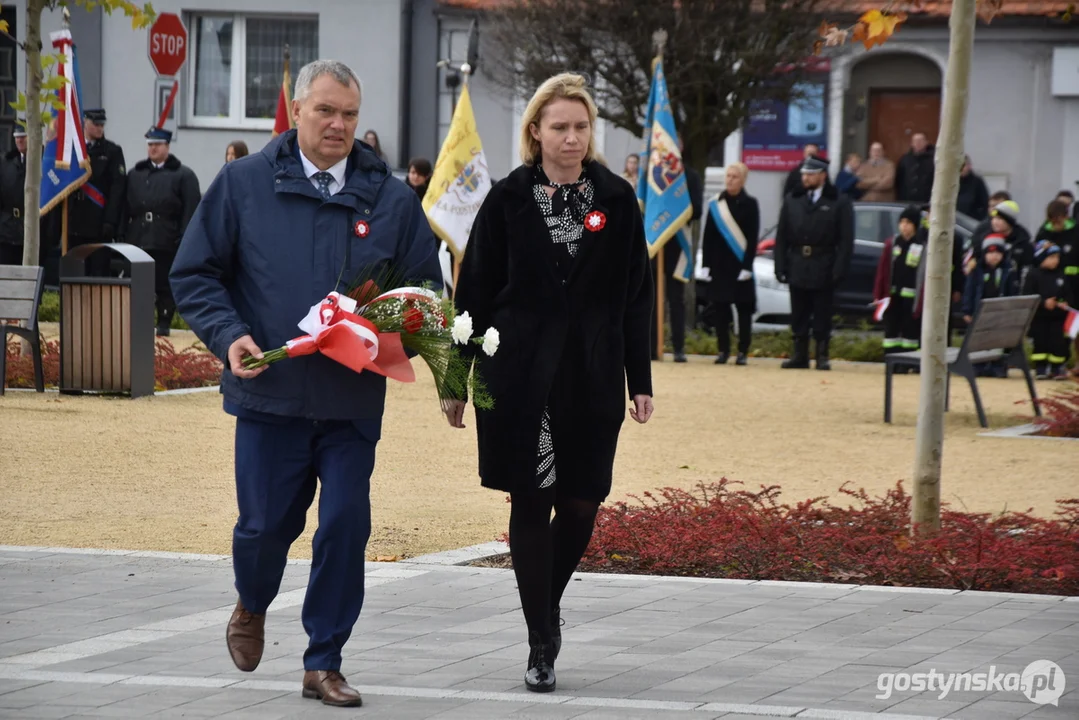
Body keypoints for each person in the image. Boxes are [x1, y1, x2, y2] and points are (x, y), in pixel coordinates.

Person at [170, 59, 442, 708]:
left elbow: (426, 294)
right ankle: (251, 601)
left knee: (345, 525)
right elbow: (194, 274)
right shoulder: (242, 185)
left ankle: (323, 661)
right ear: (297, 111)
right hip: (269, 398)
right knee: (264, 528)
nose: (338, 125)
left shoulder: (393, 200)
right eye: (325, 111)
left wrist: (414, 340)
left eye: (349, 115)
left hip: (350, 403)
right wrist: (227, 333)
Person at [444, 72, 654, 694]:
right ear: (534, 132)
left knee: (584, 499)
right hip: (520, 374)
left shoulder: (616, 200)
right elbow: (473, 292)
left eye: (580, 127)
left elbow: (637, 298)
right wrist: (457, 377)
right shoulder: (507, 200)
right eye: (558, 126)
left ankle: (545, 600)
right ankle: (541, 640)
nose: (570, 137)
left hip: (591, 373)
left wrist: (638, 378)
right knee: (532, 500)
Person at [118, 127, 201, 337]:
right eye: (150, 144)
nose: (152, 148)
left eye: (157, 144)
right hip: (138, 238)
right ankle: (140, 321)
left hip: (167, 238)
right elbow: (123, 207)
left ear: (167, 146)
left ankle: (164, 321)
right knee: (138, 282)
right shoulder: (135, 174)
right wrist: (120, 232)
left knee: (164, 283)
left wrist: (184, 238)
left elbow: (190, 210)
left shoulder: (183, 175)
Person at [774, 155, 854, 370]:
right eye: (804, 174)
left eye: (810, 174)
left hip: (824, 263)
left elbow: (846, 241)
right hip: (798, 262)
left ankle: (821, 355)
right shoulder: (793, 199)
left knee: (822, 312)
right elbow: (782, 236)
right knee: (798, 312)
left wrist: (839, 269)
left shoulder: (838, 201)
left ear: (822, 176)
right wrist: (780, 265)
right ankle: (799, 355)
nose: (806, 178)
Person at [651, 137, 702, 363]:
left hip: (677, 243)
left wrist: (674, 212)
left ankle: (679, 348)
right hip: (655, 243)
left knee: (676, 298)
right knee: (651, 298)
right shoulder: (651, 176)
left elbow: (698, 210)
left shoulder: (690, 176)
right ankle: (652, 347)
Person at [702, 162, 758, 365]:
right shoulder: (716, 204)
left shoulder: (750, 204)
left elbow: (752, 239)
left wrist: (747, 266)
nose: (730, 180)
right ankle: (723, 350)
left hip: (740, 265)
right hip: (719, 265)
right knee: (720, 311)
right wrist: (706, 264)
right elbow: (708, 237)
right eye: (728, 176)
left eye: (735, 177)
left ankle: (743, 351)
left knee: (743, 311)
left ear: (742, 180)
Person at [68, 109, 127, 251]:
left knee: (98, 270)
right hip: (73, 221)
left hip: (99, 221)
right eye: (96, 124)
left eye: (102, 125)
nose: (100, 128)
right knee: (73, 269)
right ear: (85, 123)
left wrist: (110, 221)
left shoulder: (112, 151)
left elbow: (117, 189)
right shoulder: (72, 149)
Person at [873, 206, 926, 364]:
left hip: (911, 298)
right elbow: (882, 271)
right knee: (891, 330)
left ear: (916, 225)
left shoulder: (922, 245)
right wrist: (879, 294)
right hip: (893, 295)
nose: (904, 226)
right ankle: (891, 360)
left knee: (910, 330)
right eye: (902, 222)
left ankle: (908, 361)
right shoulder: (893, 243)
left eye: (908, 222)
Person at [961, 234, 1019, 377]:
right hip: (979, 311)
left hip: (1000, 313)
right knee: (978, 339)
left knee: (998, 340)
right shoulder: (977, 269)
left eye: (998, 252)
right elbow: (970, 290)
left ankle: (997, 365)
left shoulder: (1008, 270)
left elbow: (1013, 291)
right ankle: (978, 365)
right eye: (990, 252)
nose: (994, 256)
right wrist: (967, 310)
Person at [1022, 240, 1073, 379]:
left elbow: (1067, 293)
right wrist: (1043, 303)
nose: (1055, 261)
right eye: (1051, 257)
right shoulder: (1033, 275)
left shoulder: (1061, 274)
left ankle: (1057, 368)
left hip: (1058, 317)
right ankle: (1041, 368)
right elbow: (1028, 295)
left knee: (1058, 343)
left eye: (1057, 257)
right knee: (1040, 343)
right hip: (1040, 317)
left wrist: (1064, 303)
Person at [1035, 199, 1079, 304]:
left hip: (1074, 283)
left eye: (1059, 222)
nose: (1056, 226)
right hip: (1050, 283)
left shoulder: (1075, 232)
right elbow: (1037, 260)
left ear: (1066, 217)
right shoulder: (1043, 234)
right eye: (1053, 222)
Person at [0, 124, 28, 265]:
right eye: (17, 137)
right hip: (7, 231)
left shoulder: (43, 162)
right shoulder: (7, 162)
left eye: (23, 137)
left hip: (32, 230)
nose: (19, 141)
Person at [895, 132, 934, 203]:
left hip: (927, 198)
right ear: (912, 143)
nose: (918, 143)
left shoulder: (933, 159)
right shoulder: (905, 159)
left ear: (926, 142)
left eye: (920, 141)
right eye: (915, 141)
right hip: (907, 199)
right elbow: (899, 179)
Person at [956, 155, 989, 221]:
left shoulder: (977, 182)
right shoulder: (951, 182)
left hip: (971, 220)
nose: (962, 168)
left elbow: (985, 203)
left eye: (964, 165)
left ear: (969, 166)